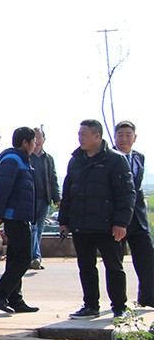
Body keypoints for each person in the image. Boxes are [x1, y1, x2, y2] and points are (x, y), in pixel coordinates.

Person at [61, 119, 136, 319]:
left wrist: (121, 222)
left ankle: (119, 307)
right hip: (81, 224)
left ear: (97, 136)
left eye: (83, 134)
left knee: (113, 267)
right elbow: (68, 192)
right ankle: (90, 306)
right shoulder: (75, 161)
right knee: (86, 267)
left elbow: (126, 194)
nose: (80, 138)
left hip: (107, 225)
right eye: (79, 134)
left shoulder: (115, 160)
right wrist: (64, 221)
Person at [0, 127, 40, 314]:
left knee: (15, 258)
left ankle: (15, 299)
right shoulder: (12, 160)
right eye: (33, 142)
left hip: (19, 215)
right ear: (25, 142)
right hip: (14, 216)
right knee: (24, 258)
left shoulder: (22, 160)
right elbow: (2, 189)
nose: (35, 145)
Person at [113, 121, 153, 308]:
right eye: (120, 135)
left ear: (134, 138)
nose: (124, 139)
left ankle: (147, 298)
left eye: (128, 135)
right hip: (116, 218)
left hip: (137, 217)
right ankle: (118, 303)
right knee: (115, 263)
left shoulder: (139, 157)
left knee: (147, 258)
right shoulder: (109, 157)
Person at [29, 127, 61, 270]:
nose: (37, 141)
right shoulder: (26, 156)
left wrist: (57, 198)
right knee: (32, 228)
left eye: (39, 137)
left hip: (43, 199)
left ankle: (33, 258)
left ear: (44, 140)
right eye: (34, 138)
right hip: (29, 199)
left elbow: (53, 179)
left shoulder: (48, 159)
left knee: (39, 229)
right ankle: (35, 257)